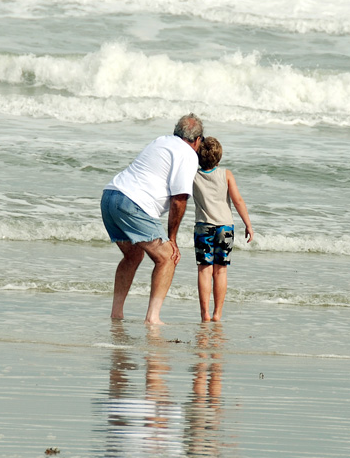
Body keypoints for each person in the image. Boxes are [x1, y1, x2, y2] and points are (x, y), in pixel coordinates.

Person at [100, 114, 203, 325]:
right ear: (197, 140)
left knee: (133, 255)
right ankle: (153, 318)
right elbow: (179, 199)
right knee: (167, 257)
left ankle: (116, 313)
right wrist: (172, 239)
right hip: (132, 203)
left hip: (110, 196)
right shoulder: (189, 154)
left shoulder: (161, 141)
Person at [191, 137, 254, 322]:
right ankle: (218, 313)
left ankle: (205, 314)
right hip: (225, 228)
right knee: (221, 270)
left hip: (203, 226)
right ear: (219, 158)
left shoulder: (193, 175)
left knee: (204, 270)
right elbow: (238, 201)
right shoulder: (226, 174)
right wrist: (248, 224)